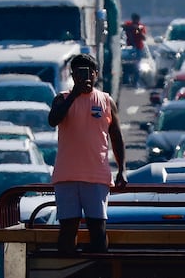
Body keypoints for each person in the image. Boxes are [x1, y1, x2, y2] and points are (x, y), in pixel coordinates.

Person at [48, 53, 126, 255]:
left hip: (96, 176)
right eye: (80, 73)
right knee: (67, 230)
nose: (86, 77)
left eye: (89, 73)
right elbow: (53, 119)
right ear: (73, 75)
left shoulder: (106, 101)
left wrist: (122, 169)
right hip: (67, 176)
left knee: (98, 230)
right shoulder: (62, 99)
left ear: (96, 74)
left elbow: (116, 137)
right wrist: (74, 94)